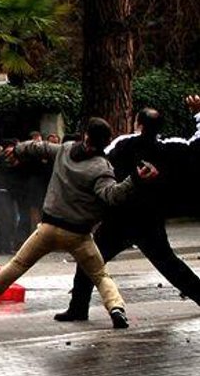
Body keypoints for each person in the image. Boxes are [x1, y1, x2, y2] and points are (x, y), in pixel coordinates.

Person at [0, 117, 159, 329]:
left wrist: (17, 150)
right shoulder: (101, 167)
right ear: (106, 142)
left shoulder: (66, 149)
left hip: (48, 228)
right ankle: (116, 309)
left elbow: (39, 147)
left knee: (16, 266)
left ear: (85, 134)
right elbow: (112, 196)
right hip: (79, 235)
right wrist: (135, 179)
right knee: (100, 275)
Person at [55, 99, 200, 321]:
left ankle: (78, 307)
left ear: (138, 124)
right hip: (150, 218)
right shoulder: (170, 148)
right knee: (169, 264)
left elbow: (99, 159)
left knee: (90, 261)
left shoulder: (123, 144)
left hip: (119, 219)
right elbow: (195, 144)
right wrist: (198, 113)